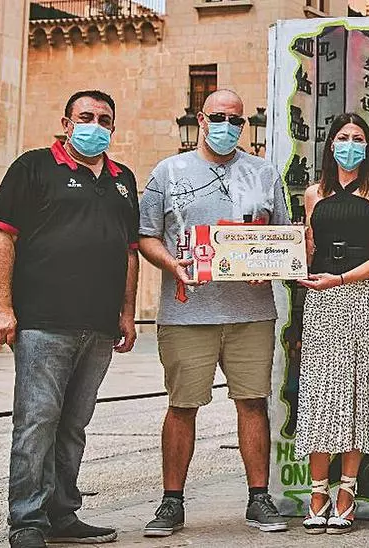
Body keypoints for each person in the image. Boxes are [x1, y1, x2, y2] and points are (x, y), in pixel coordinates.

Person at [0, 90, 138, 548]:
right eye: (86, 117)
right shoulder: (32, 167)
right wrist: (1, 305)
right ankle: (27, 522)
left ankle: (62, 514)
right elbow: (1, 236)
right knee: (37, 421)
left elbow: (129, 252)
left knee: (73, 425)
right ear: (66, 123)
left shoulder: (123, 179)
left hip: (99, 326)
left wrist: (127, 313)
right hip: (43, 322)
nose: (95, 125)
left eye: (104, 120)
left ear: (113, 128)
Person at [137, 89, 289, 536]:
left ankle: (259, 499)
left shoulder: (264, 173)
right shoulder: (168, 171)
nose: (227, 126)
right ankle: (171, 502)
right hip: (187, 313)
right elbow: (146, 235)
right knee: (182, 406)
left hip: (251, 312)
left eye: (236, 120)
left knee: (253, 403)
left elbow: (283, 235)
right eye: (218, 117)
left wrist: (271, 266)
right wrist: (172, 264)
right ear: (201, 120)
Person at [293, 113, 369, 535]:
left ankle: (347, 491)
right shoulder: (313, 193)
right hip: (321, 299)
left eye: (357, 138)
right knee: (320, 391)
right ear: (330, 144)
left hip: (364, 296)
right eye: (342, 137)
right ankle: (317, 491)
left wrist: (342, 279)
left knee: (358, 390)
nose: (350, 144)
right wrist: (277, 259)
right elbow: (307, 248)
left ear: (368, 146)